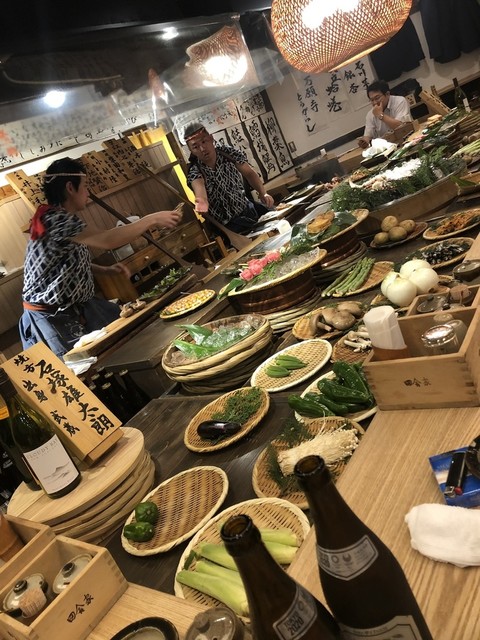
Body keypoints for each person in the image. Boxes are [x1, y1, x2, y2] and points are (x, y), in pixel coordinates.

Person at [19, 157, 182, 359]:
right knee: (85, 364)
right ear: (70, 187)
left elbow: (63, 263)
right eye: (85, 186)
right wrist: (152, 219)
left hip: (76, 307)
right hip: (52, 316)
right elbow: (106, 239)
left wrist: (105, 270)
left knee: (123, 336)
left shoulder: (60, 217)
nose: (88, 192)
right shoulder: (55, 219)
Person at [184, 123, 275, 234]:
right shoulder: (195, 170)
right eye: (195, 147)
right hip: (226, 228)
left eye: (204, 142)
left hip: (247, 211)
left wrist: (262, 193)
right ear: (191, 150)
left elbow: (249, 173)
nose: (202, 149)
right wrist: (202, 202)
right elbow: (199, 190)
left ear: (211, 138)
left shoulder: (228, 153)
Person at [357, 80, 413, 149]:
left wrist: (380, 115)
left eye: (377, 98)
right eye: (372, 100)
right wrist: (364, 141)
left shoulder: (400, 101)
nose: (375, 103)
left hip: (407, 141)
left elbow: (401, 127)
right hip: (388, 147)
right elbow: (368, 135)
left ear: (387, 94)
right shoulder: (370, 114)